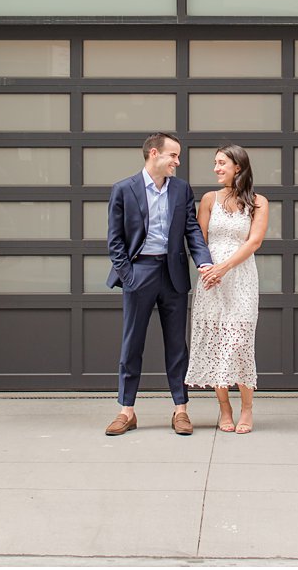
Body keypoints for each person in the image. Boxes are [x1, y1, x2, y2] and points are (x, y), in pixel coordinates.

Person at [105, 131, 214, 436]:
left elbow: (192, 229)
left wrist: (203, 260)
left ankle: (181, 410)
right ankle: (126, 411)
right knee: (132, 344)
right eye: (173, 155)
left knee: (177, 346)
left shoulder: (180, 190)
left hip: (173, 274)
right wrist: (129, 277)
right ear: (154, 153)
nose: (177, 162)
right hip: (140, 273)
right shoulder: (124, 190)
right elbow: (115, 241)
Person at [187, 144, 268, 433]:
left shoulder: (259, 202)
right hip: (211, 280)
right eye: (215, 163)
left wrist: (225, 267)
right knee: (216, 341)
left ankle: (247, 408)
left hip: (241, 276)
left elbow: (254, 241)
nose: (216, 168)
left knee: (240, 341)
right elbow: (199, 238)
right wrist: (207, 268)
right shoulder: (209, 198)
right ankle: (224, 408)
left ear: (238, 166)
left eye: (222, 163)